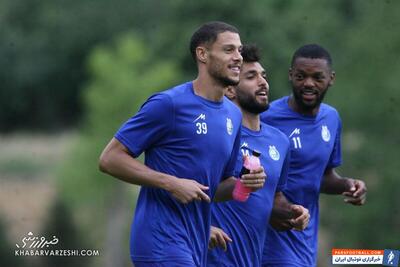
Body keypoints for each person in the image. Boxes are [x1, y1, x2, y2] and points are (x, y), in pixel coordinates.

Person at [98, 21, 266, 267]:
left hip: (196, 243)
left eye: (239, 50)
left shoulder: (232, 115)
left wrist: (245, 183)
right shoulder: (169, 104)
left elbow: (214, 189)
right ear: (202, 54)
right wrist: (171, 183)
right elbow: (109, 159)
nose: (238, 57)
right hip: (160, 240)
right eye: (229, 50)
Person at [260, 44, 368, 267]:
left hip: (306, 240)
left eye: (317, 77)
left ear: (331, 78)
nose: (308, 83)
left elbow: (321, 177)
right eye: (301, 76)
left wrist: (348, 184)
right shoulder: (266, 118)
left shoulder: (331, 118)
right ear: (291, 75)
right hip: (271, 237)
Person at [206, 44, 310, 267]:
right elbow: (184, 186)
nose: (263, 82)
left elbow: (272, 198)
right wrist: (201, 228)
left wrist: (292, 212)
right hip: (210, 258)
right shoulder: (216, 135)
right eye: (251, 77)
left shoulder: (280, 141)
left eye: (263, 76)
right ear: (230, 89)